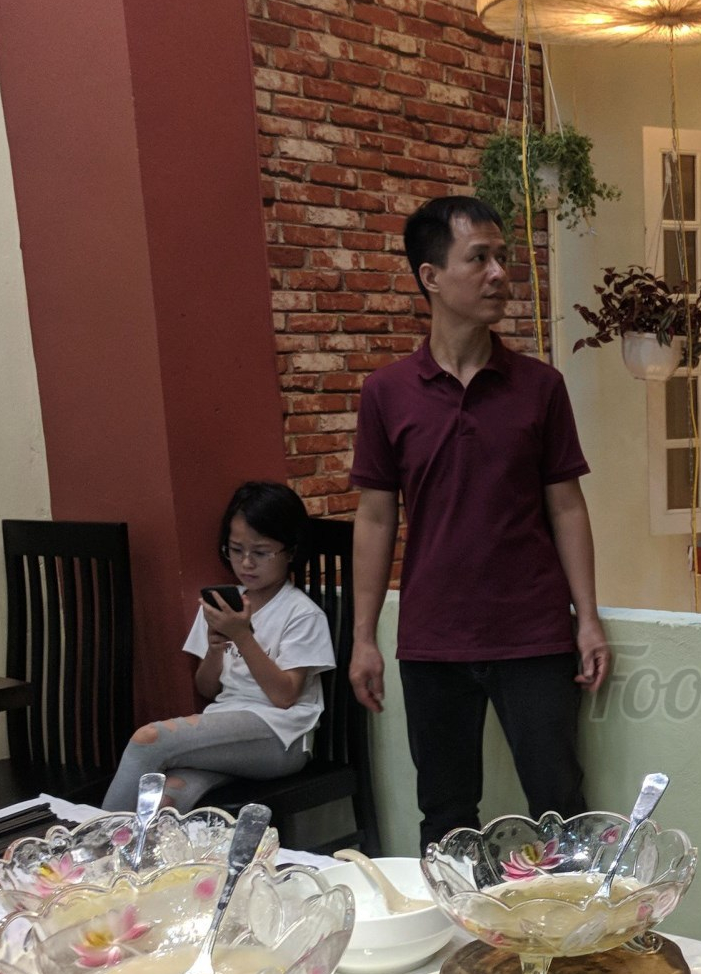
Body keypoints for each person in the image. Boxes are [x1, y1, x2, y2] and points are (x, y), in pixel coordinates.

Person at [350, 195, 610, 852]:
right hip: (432, 639)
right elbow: (376, 518)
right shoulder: (386, 393)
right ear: (431, 277)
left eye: (501, 257)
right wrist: (363, 637)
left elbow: (567, 505)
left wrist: (587, 617)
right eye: (479, 258)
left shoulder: (540, 387)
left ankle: (574, 919)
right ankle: (457, 920)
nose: (499, 273)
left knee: (561, 808)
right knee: (445, 817)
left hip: (534, 634)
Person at [103, 482, 335, 812]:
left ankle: (94, 839)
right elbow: (207, 689)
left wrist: (242, 636)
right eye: (236, 550)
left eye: (261, 552)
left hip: (282, 736)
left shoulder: (302, 613)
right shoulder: (223, 606)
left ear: (291, 552)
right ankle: (133, 845)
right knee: (165, 800)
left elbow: (284, 697)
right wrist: (215, 649)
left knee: (148, 740)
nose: (246, 563)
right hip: (227, 729)